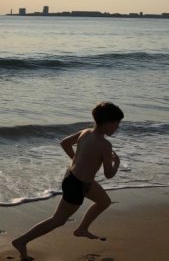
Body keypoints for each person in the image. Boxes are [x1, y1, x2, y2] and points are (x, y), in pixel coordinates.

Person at [11, 102, 124, 261]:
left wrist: (76, 160)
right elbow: (109, 174)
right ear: (107, 123)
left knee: (104, 201)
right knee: (58, 220)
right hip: (77, 186)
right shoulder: (105, 144)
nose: (117, 128)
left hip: (74, 178)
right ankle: (21, 241)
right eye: (116, 124)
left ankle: (82, 229)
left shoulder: (85, 133)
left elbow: (64, 143)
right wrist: (116, 164)